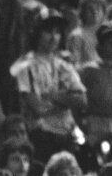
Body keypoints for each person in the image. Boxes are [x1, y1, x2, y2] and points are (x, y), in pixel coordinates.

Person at [11, 11, 87, 164]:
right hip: (40, 135)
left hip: (66, 134)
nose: (53, 37)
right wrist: (66, 101)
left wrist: (53, 96)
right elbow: (37, 108)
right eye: (48, 31)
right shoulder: (24, 65)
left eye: (57, 32)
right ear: (37, 32)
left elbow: (82, 100)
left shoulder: (64, 64)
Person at [79, 21, 112, 148]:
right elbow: (81, 97)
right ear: (99, 46)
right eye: (109, 43)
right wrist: (83, 122)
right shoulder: (88, 69)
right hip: (95, 121)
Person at [67, 0, 109, 67]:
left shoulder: (108, 32)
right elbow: (74, 64)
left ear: (104, 12)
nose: (94, 12)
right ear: (83, 12)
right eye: (90, 8)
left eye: (97, 8)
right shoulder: (77, 35)